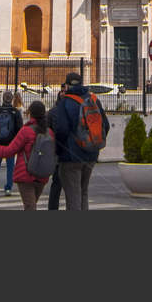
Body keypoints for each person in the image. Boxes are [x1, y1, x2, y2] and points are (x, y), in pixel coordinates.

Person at [51, 70, 109, 212]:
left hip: (70, 158)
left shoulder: (65, 102)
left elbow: (62, 130)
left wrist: (59, 152)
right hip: (91, 155)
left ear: (67, 85)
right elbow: (105, 126)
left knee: (73, 196)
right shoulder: (94, 99)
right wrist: (94, 145)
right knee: (83, 192)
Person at [0, 98, 56, 209]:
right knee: (31, 205)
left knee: (30, 206)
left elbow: (8, 151)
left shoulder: (26, 131)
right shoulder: (49, 132)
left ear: (30, 113)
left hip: (25, 175)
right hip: (42, 175)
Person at [0, 90, 23, 195]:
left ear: (3, 99)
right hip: (11, 142)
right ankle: (8, 187)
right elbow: (19, 128)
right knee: (10, 166)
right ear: (11, 99)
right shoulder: (15, 112)